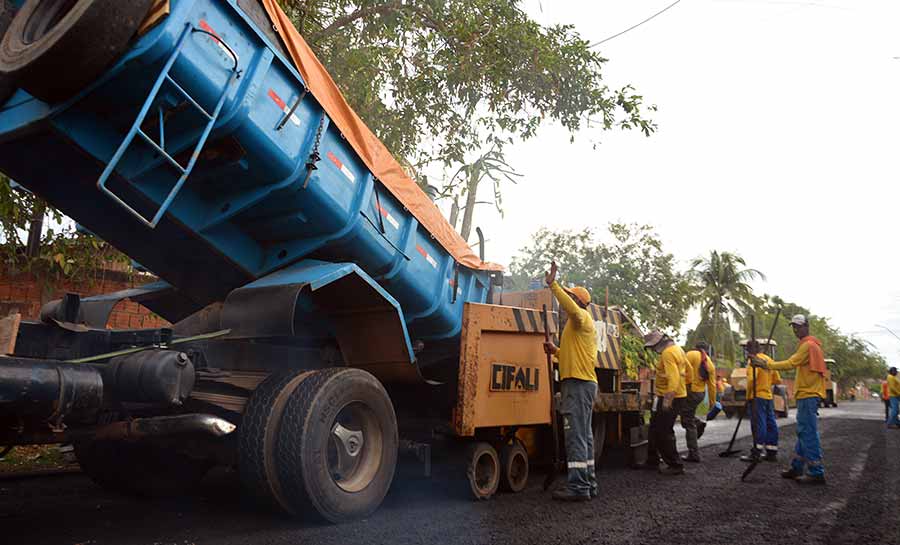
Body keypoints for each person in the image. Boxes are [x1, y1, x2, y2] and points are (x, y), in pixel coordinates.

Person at [542, 261, 599, 501]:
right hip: (582, 383)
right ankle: (589, 483)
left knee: (575, 435)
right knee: (584, 435)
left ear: (577, 301)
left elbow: (572, 309)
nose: (566, 304)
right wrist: (556, 350)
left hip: (578, 384)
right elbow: (571, 353)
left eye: (569, 298)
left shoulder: (582, 317)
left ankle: (578, 487)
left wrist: (553, 285)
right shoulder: (576, 328)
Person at [750, 314, 826, 484]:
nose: (795, 330)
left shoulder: (808, 346)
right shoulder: (810, 345)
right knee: (803, 432)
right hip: (807, 395)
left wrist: (766, 365)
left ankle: (816, 471)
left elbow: (791, 363)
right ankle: (797, 466)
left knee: (808, 433)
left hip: (808, 395)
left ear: (807, 326)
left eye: (798, 326)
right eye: (794, 327)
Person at [639, 330, 687, 476]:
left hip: (670, 396)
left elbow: (673, 377)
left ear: (659, 343)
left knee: (664, 431)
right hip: (672, 395)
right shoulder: (678, 349)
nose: (653, 350)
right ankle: (652, 460)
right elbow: (687, 371)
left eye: (653, 347)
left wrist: (668, 399)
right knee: (654, 428)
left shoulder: (668, 353)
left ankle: (675, 464)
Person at [740, 340, 781, 463]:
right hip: (767, 396)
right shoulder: (769, 360)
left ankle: (756, 452)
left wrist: (748, 396)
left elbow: (752, 380)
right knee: (770, 423)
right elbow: (777, 379)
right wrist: (766, 382)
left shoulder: (754, 361)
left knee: (759, 424)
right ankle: (771, 452)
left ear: (749, 350)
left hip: (757, 396)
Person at [682, 341, 716, 462]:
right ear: (706, 350)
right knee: (686, 417)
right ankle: (697, 423)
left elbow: (681, 370)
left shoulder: (690, 354)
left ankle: (694, 454)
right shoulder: (710, 363)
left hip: (689, 391)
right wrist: (712, 402)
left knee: (687, 421)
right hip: (699, 394)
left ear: (695, 347)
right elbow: (712, 385)